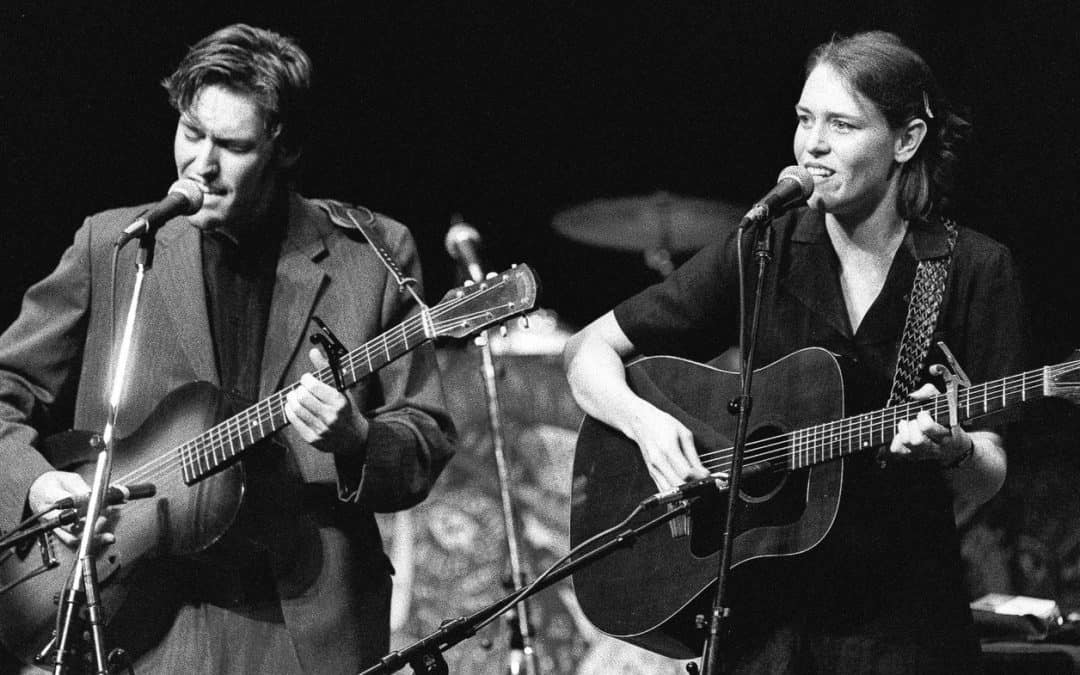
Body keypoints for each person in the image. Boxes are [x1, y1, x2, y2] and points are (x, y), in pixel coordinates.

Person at [564, 31, 1026, 673]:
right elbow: (589, 351)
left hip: (904, 626)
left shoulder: (972, 267)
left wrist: (957, 450)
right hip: (762, 628)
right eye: (805, 119)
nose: (813, 144)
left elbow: (991, 468)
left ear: (906, 140)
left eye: (841, 124)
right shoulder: (764, 247)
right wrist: (647, 426)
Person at [0, 24, 455, 673]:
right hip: (143, 621)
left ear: (286, 148)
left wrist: (356, 439)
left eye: (231, 145)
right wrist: (36, 482)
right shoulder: (116, 246)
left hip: (304, 622)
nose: (200, 165)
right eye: (191, 132)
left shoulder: (370, 256)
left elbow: (426, 433)